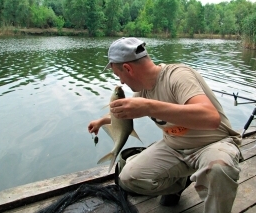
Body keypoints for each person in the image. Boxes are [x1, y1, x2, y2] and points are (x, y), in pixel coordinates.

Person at [88, 37, 242, 213]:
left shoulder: (178, 75)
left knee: (219, 169)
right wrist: (101, 121)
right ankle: (179, 183)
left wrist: (149, 106)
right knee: (128, 178)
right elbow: (124, 115)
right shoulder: (142, 91)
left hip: (213, 145)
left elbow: (211, 118)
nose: (121, 82)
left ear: (128, 68)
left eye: (118, 76)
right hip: (174, 147)